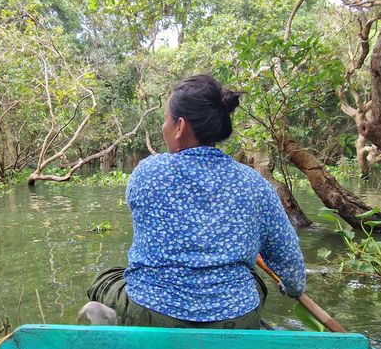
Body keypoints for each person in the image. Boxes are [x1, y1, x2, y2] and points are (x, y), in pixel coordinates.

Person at [80, 74, 305, 328]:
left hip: (151, 314)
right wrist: (294, 289)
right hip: (235, 317)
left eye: (166, 120)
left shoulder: (147, 172)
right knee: (253, 279)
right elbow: (292, 267)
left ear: (180, 127)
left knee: (107, 278)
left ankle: (112, 324)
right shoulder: (256, 184)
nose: (163, 127)